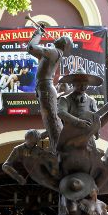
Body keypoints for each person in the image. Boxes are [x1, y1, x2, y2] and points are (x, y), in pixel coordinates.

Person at [27, 25, 73, 153]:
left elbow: (31, 48)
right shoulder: (53, 53)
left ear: (64, 45)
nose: (58, 38)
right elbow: (33, 50)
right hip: (44, 88)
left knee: (52, 120)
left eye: (62, 38)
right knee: (50, 121)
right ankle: (56, 146)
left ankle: (57, 148)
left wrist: (38, 34)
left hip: (46, 89)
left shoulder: (54, 52)